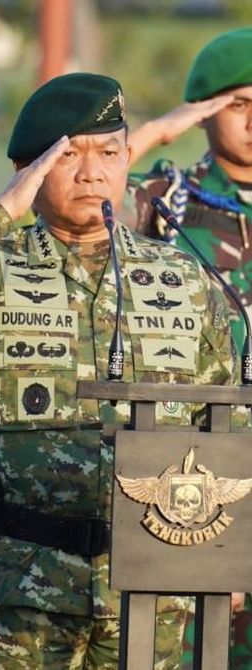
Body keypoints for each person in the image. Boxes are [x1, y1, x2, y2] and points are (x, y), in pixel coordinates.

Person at [0, 72, 242, 669]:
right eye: (69, 155)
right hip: (24, 592)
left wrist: (225, 548)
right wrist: (5, 207)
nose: (92, 172)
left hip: (151, 592)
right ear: (31, 169)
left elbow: (226, 419)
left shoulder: (184, 276)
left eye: (110, 153)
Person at [127, 26, 252, 669]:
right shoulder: (165, 199)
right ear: (203, 109)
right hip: (195, 469)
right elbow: (79, 189)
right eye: (237, 103)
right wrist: (158, 131)